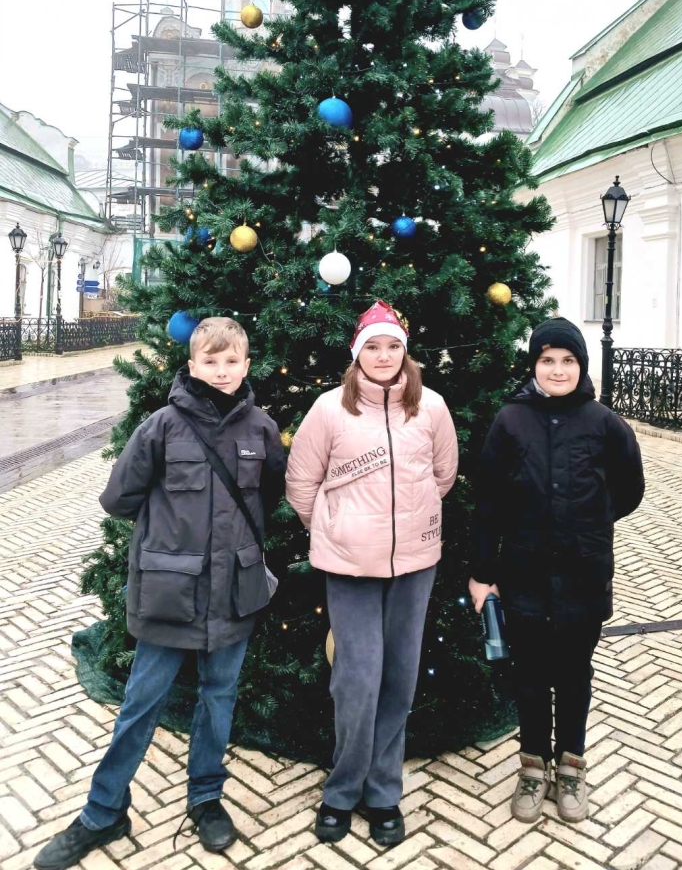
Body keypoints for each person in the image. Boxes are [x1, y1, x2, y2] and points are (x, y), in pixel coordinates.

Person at [34, 317, 286, 870]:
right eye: (210, 362)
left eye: (231, 361)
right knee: (141, 702)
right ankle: (103, 812)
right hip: (170, 594)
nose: (221, 371)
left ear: (246, 365)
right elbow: (118, 498)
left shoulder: (262, 429)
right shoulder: (162, 427)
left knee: (219, 697)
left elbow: (270, 494)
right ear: (192, 366)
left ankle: (206, 798)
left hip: (234, 592)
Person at [286, 300, 458, 847]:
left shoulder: (431, 407)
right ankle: (341, 791)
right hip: (349, 566)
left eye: (393, 346)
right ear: (357, 354)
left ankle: (383, 792)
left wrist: (412, 523)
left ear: (405, 352)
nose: (383, 356)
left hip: (414, 565)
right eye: (373, 347)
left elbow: (443, 475)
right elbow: (301, 482)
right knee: (357, 679)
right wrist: (334, 527)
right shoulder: (329, 410)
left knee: (399, 678)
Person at [468, 317, 644, 825]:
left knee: (572, 674)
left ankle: (570, 766)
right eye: (548, 360)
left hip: (583, 573)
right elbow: (488, 501)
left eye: (568, 361)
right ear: (534, 365)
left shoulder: (604, 423)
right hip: (522, 572)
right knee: (528, 676)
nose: (558, 370)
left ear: (581, 366)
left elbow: (629, 489)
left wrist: (588, 520)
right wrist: (482, 572)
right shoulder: (510, 421)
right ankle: (531, 766)